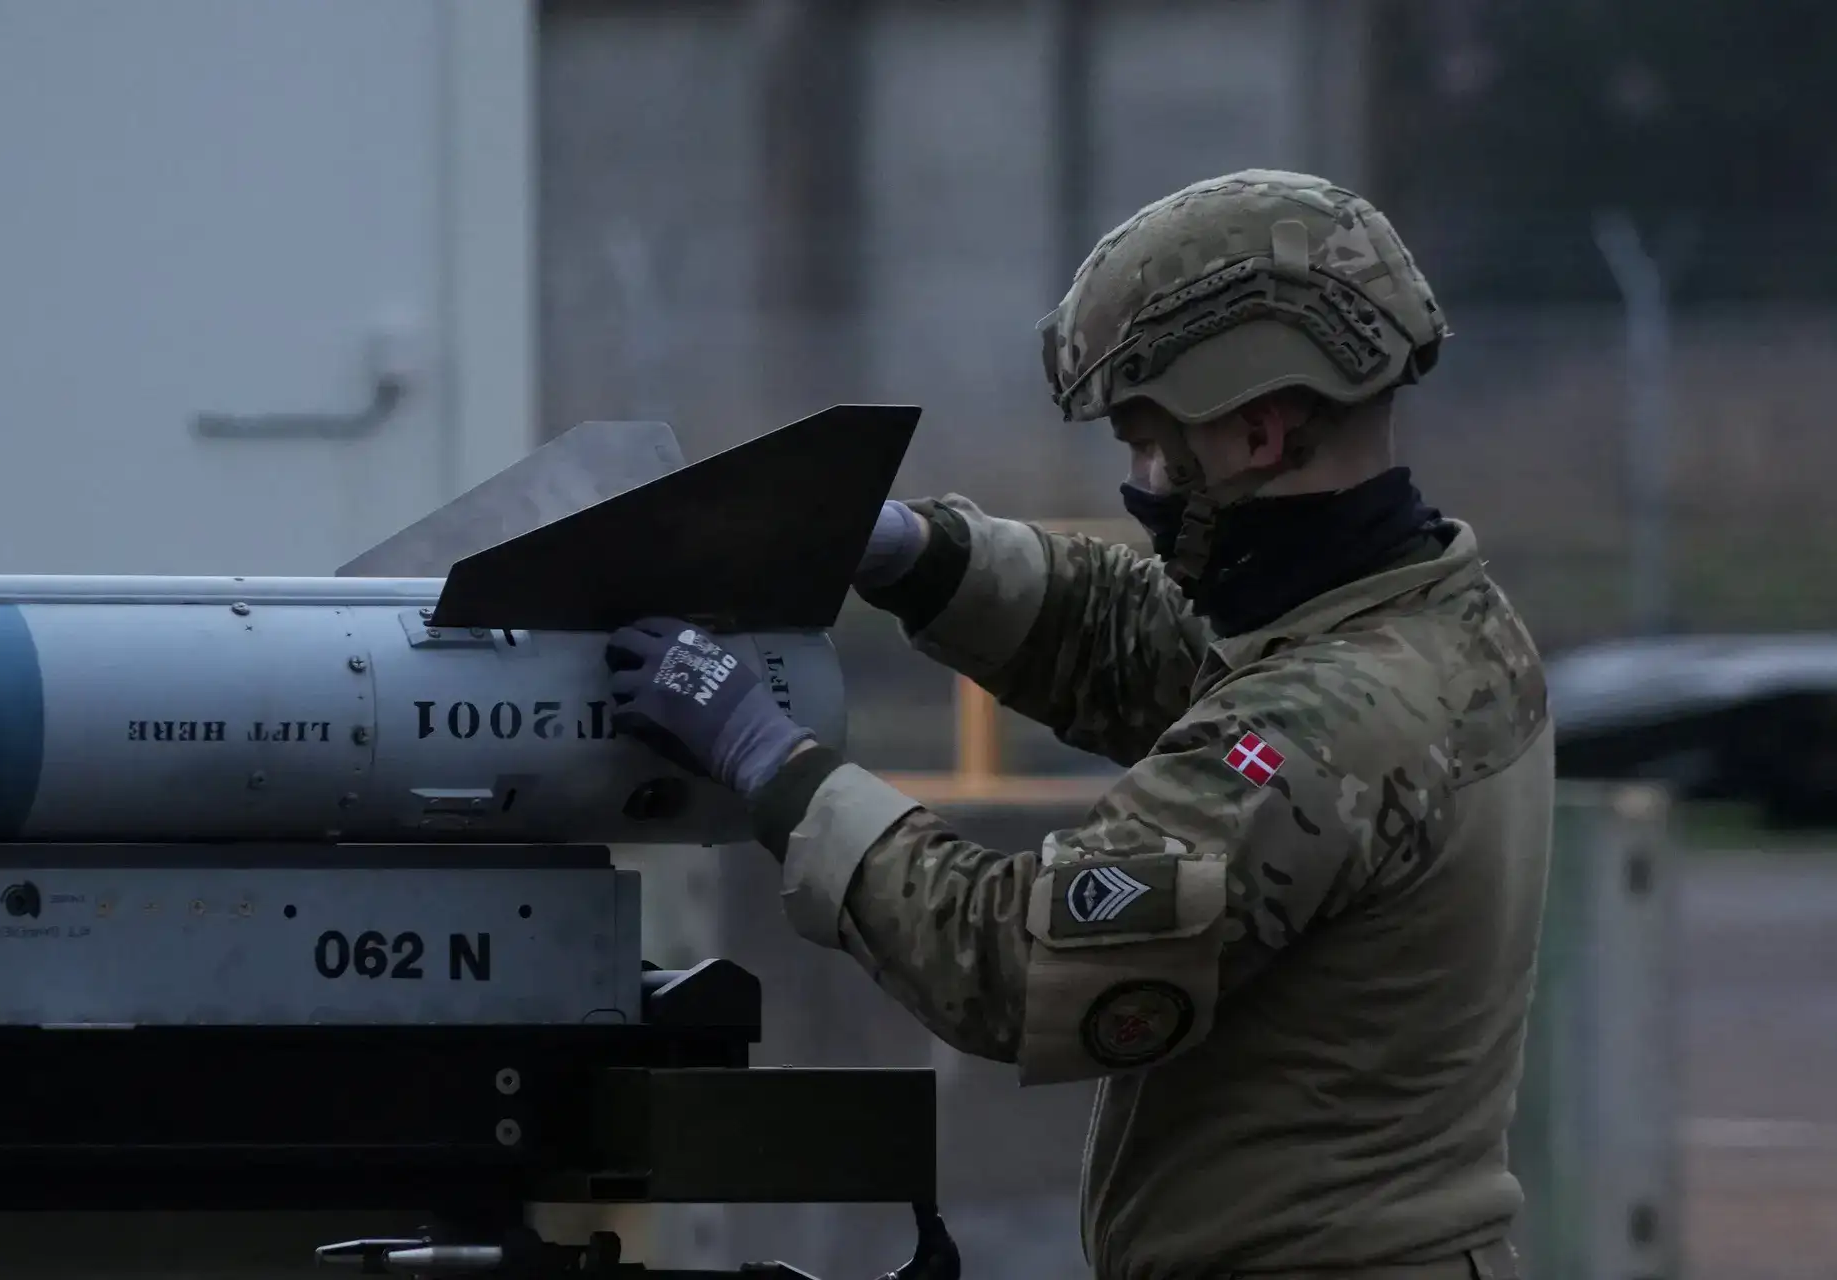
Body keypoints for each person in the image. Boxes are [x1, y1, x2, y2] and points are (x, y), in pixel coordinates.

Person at [603, 170, 1551, 1280]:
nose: (1141, 483)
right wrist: (910, 551)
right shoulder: (1435, 618)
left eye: (1151, 444)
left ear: (1259, 429)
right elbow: (1144, 641)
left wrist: (767, 757)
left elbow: (1018, 960)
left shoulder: (1324, 726)